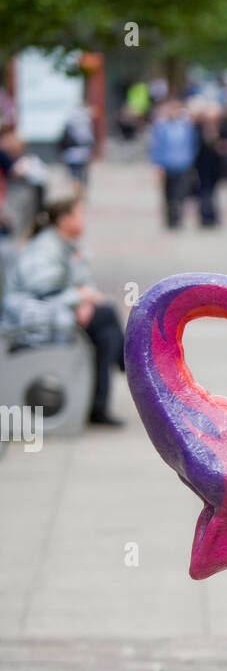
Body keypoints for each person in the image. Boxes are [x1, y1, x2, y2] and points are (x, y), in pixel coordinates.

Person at [2, 196, 125, 425]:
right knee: (106, 318)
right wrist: (79, 298)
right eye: (79, 214)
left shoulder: (67, 245)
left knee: (106, 329)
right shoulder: (45, 248)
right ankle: (125, 366)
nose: (83, 220)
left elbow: (75, 285)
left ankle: (103, 397)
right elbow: (40, 289)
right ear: (63, 220)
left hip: (52, 315)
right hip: (30, 322)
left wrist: (83, 300)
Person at [148, 97, 197, 229]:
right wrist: (158, 164)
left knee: (181, 193)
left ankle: (179, 217)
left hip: (183, 164)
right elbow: (157, 146)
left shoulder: (186, 126)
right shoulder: (162, 126)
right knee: (168, 194)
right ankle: (170, 219)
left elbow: (192, 144)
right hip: (167, 164)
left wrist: (190, 161)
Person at [58, 104, 95, 186]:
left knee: (74, 175)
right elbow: (89, 139)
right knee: (81, 175)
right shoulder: (86, 121)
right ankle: (79, 194)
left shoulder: (70, 120)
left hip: (71, 153)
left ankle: (76, 193)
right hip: (82, 152)